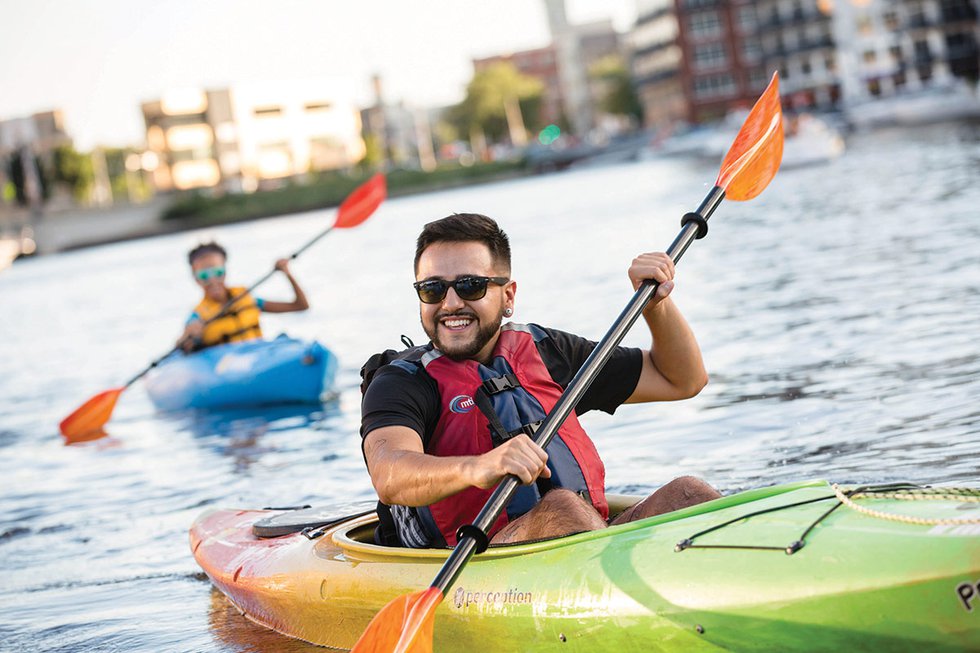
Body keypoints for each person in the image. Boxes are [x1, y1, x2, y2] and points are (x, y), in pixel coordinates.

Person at [360, 213, 721, 549]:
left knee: (688, 493)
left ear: (508, 296)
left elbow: (681, 379)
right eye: (433, 289)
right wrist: (479, 466)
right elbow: (391, 475)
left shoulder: (548, 352)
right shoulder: (402, 381)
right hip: (469, 558)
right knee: (562, 508)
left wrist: (655, 307)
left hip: (578, 539)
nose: (451, 303)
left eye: (471, 286)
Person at [178, 242, 309, 352]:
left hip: (259, 356)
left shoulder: (247, 299)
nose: (212, 280)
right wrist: (187, 337)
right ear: (196, 279)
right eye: (204, 276)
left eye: (217, 272)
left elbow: (301, 306)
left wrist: (287, 273)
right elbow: (181, 345)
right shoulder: (197, 317)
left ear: (225, 271)